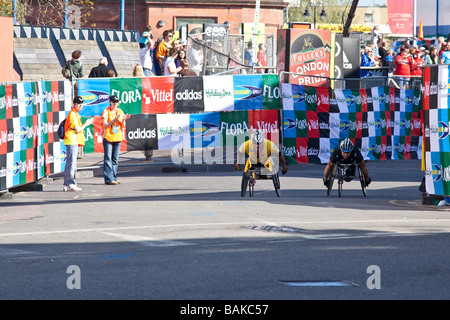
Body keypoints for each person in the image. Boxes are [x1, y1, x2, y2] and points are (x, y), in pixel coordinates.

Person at [63, 96, 94, 192]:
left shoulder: (75, 114)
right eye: (78, 103)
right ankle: (70, 183)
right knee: (72, 163)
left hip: (72, 139)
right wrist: (87, 124)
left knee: (70, 163)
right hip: (71, 140)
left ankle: (66, 183)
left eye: (81, 103)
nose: (80, 105)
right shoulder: (73, 114)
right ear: (74, 104)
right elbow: (77, 129)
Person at [101, 95, 131, 185]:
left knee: (115, 159)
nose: (115, 104)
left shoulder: (120, 111)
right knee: (108, 158)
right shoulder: (106, 111)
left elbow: (123, 126)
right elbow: (105, 125)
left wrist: (124, 119)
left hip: (117, 137)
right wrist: (114, 120)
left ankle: (114, 177)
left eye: (116, 102)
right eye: (113, 102)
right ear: (110, 102)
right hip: (108, 137)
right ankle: (108, 179)